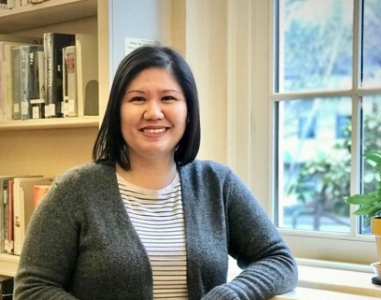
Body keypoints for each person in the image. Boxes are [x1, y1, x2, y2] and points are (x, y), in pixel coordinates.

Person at [13, 44, 298, 300]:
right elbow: (32, 288)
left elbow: (279, 260)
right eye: (137, 99)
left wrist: (234, 292)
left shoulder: (217, 183)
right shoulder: (74, 190)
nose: (153, 112)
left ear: (188, 110)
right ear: (117, 111)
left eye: (169, 98)